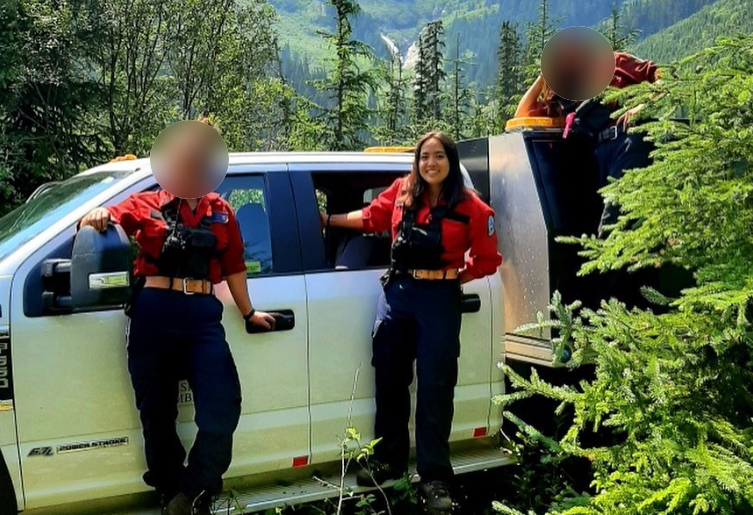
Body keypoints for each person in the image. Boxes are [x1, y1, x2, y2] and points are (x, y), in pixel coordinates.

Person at [78, 118, 275, 515]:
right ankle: (170, 493)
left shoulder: (222, 212)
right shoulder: (145, 204)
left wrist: (249, 311)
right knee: (157, 412)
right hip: (154, 314)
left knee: (223, 406)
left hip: (203, 315)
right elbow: (96, 221)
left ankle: (197, 487)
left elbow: (234, 266)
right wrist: (94, 216)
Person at [322, 132, 502, 514]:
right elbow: (371, 218)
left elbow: (488, 259)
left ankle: (434, 477)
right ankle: (388, 459)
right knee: (389, 377)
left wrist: (453, 277)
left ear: (450, 161)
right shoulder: (403, 191)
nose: (430, 163)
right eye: (424, 157)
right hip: (398, 294)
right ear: (417, 161)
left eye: (438, 156)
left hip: (439, 300)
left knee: (436, 386)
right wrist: (329, 219)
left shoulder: (472, 208)